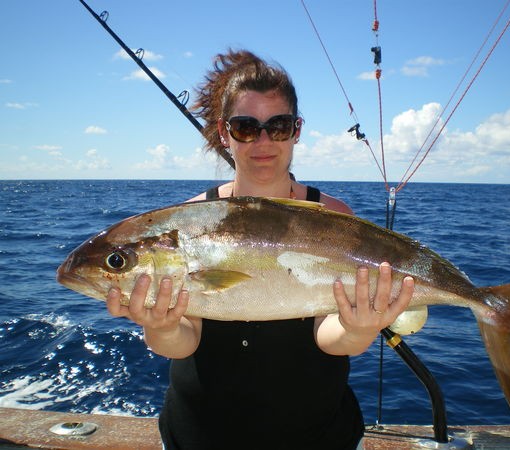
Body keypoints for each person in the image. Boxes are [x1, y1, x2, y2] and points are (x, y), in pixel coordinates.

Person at [106, 49, 414, 450]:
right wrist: (160, 326)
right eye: (246, 127)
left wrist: (359, 328)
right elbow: (184, 342)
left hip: (318, 438)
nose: (264, 141)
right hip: (201, 437)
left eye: (279, 126)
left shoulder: (333, 218)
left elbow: (331, 338)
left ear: (297, 130)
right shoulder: (190, 222)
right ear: (224, 133)